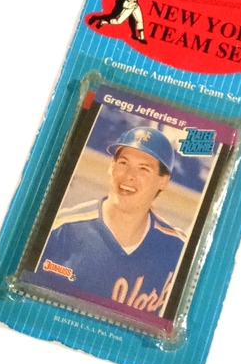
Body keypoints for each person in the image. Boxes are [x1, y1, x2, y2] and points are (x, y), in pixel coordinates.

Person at [28, 126, 185, 318]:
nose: (129, 176)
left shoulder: (179, 250)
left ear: (163, 181)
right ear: (111, 166)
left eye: (144, 169)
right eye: (123, 163)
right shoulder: (60, 228)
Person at [88, 0, 161, 44]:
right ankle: (101, 20)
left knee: (138, 20)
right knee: (116, 20)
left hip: (134, 5)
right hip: (125, 5)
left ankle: (141, 37)